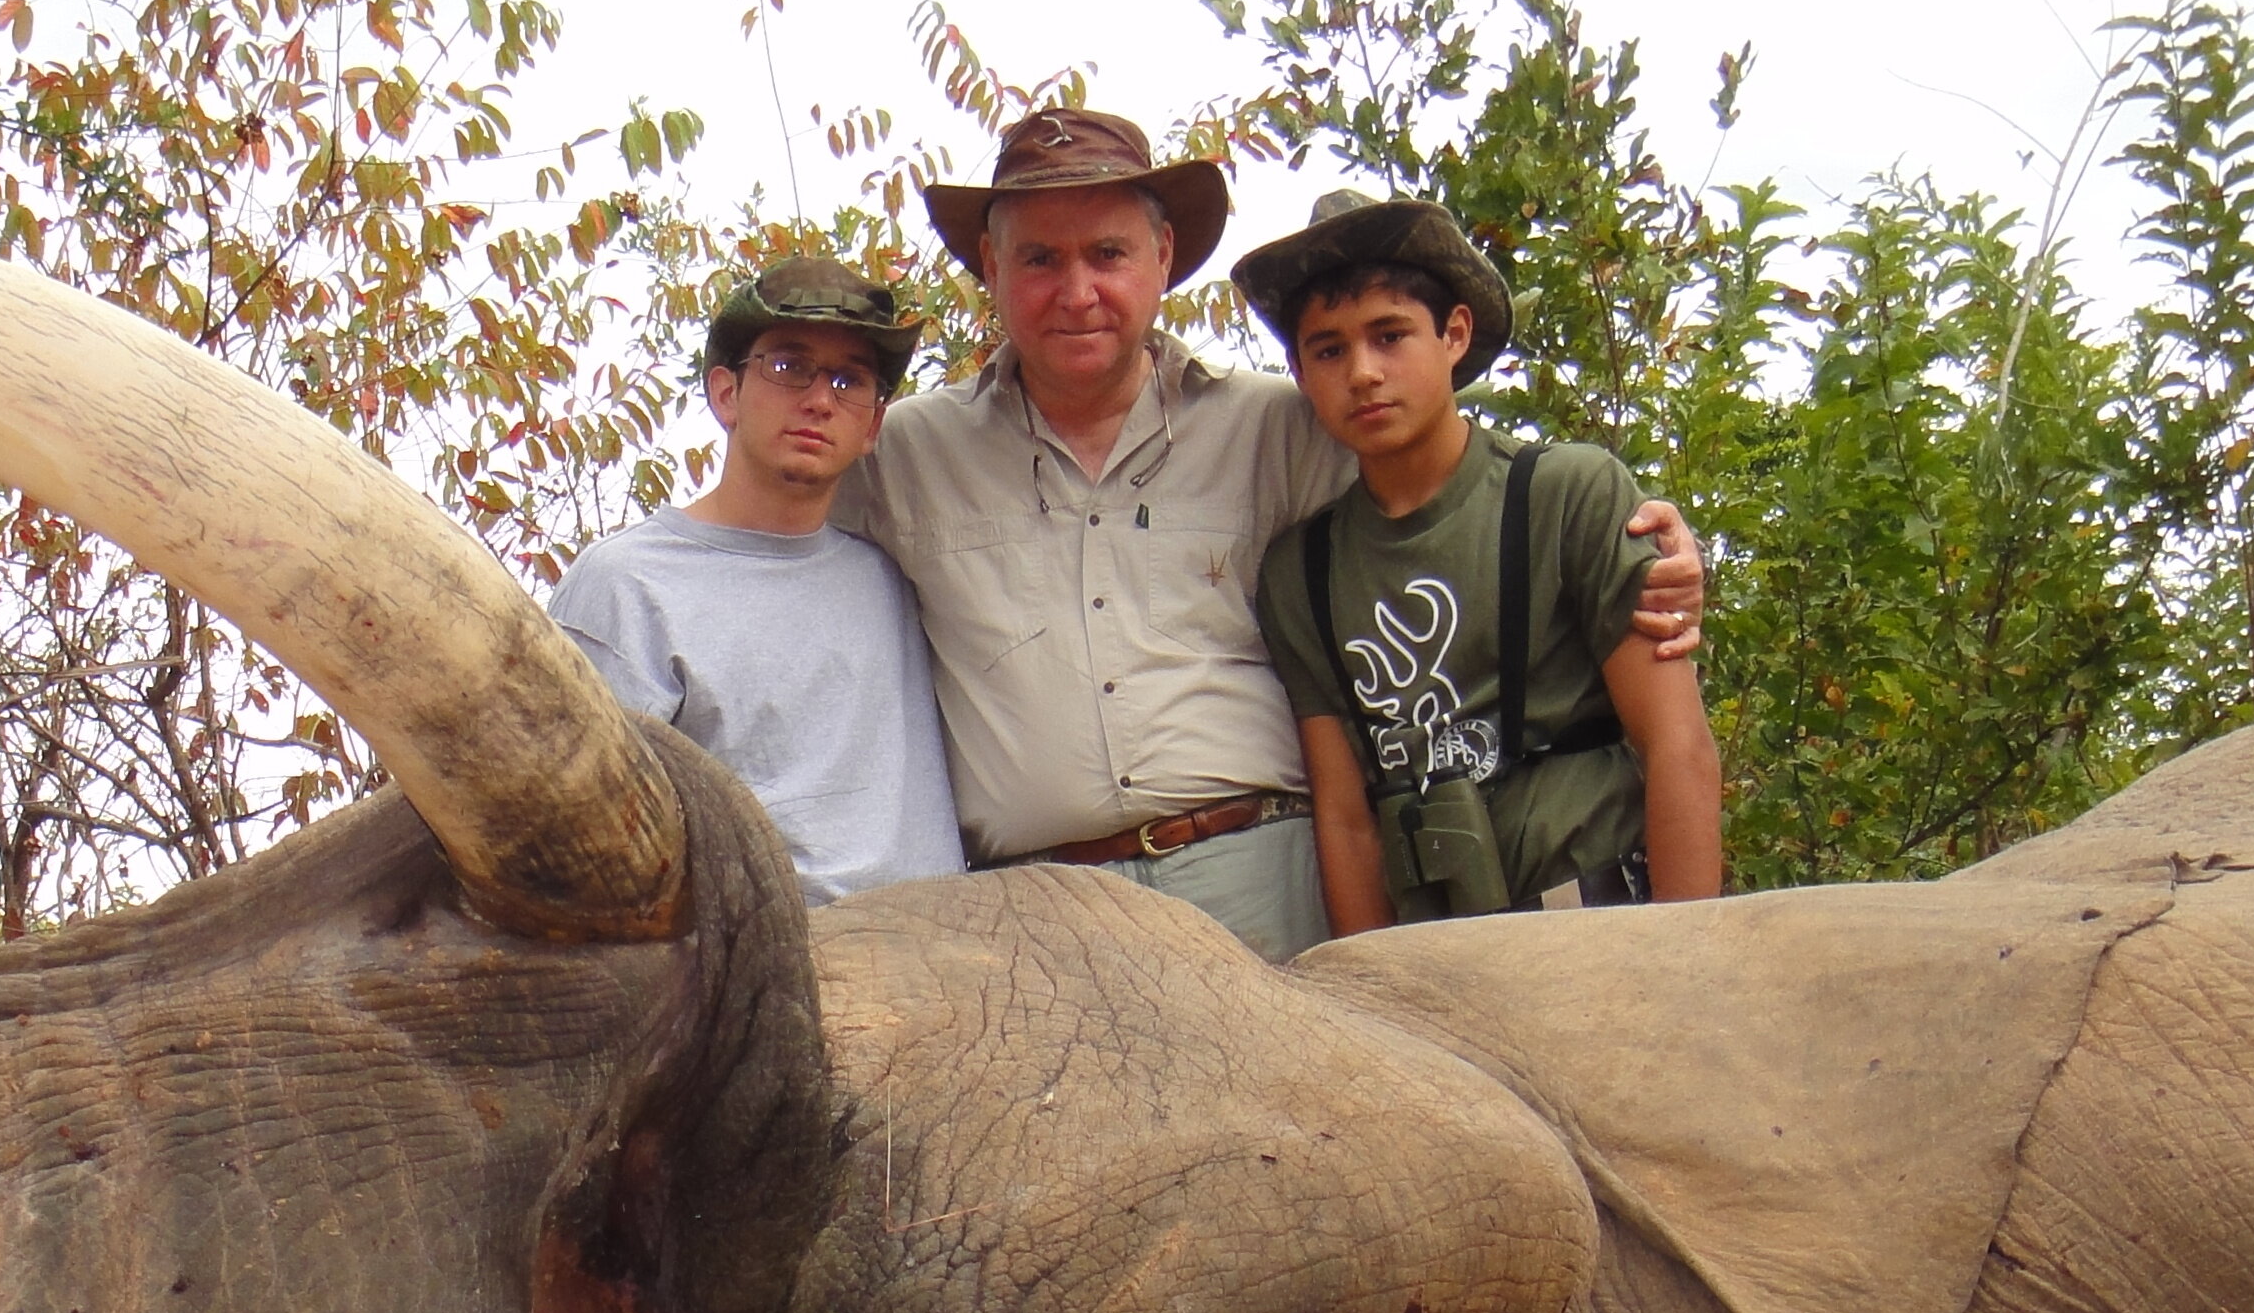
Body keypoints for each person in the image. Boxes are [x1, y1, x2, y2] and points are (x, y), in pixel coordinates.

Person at [835, 107, 1702, 959]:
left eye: (1108, 254)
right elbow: (767, 545)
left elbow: (1460, 489)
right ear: (991, 264)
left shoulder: (1284, 424)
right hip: (1038, 911)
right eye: (1039, 259)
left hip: (1264, 878)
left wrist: (1653, 543)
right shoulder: (898, 453)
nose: (1078, 292)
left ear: (1162, 256)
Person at [1238, 191, 1723, 929]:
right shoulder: (1298, 572)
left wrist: (1692, 959)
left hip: (1600, 926)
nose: (1362, 372)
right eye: (1329, 349)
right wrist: (1369, 1006)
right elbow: (1346, 818)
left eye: (1390, 335)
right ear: (1300, 374)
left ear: (1455, 334)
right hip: (1438, 961)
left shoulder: (1567, 494)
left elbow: (1675, 743)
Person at [550, 256, 963, 905]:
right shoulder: (627, 586)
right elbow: (582, 832)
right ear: (724, 393)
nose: (820, 399)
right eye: (789, 367)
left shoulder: (896, 577)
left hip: (947, 966)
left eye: (849, 380)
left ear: (873, 425)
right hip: (763, 977)